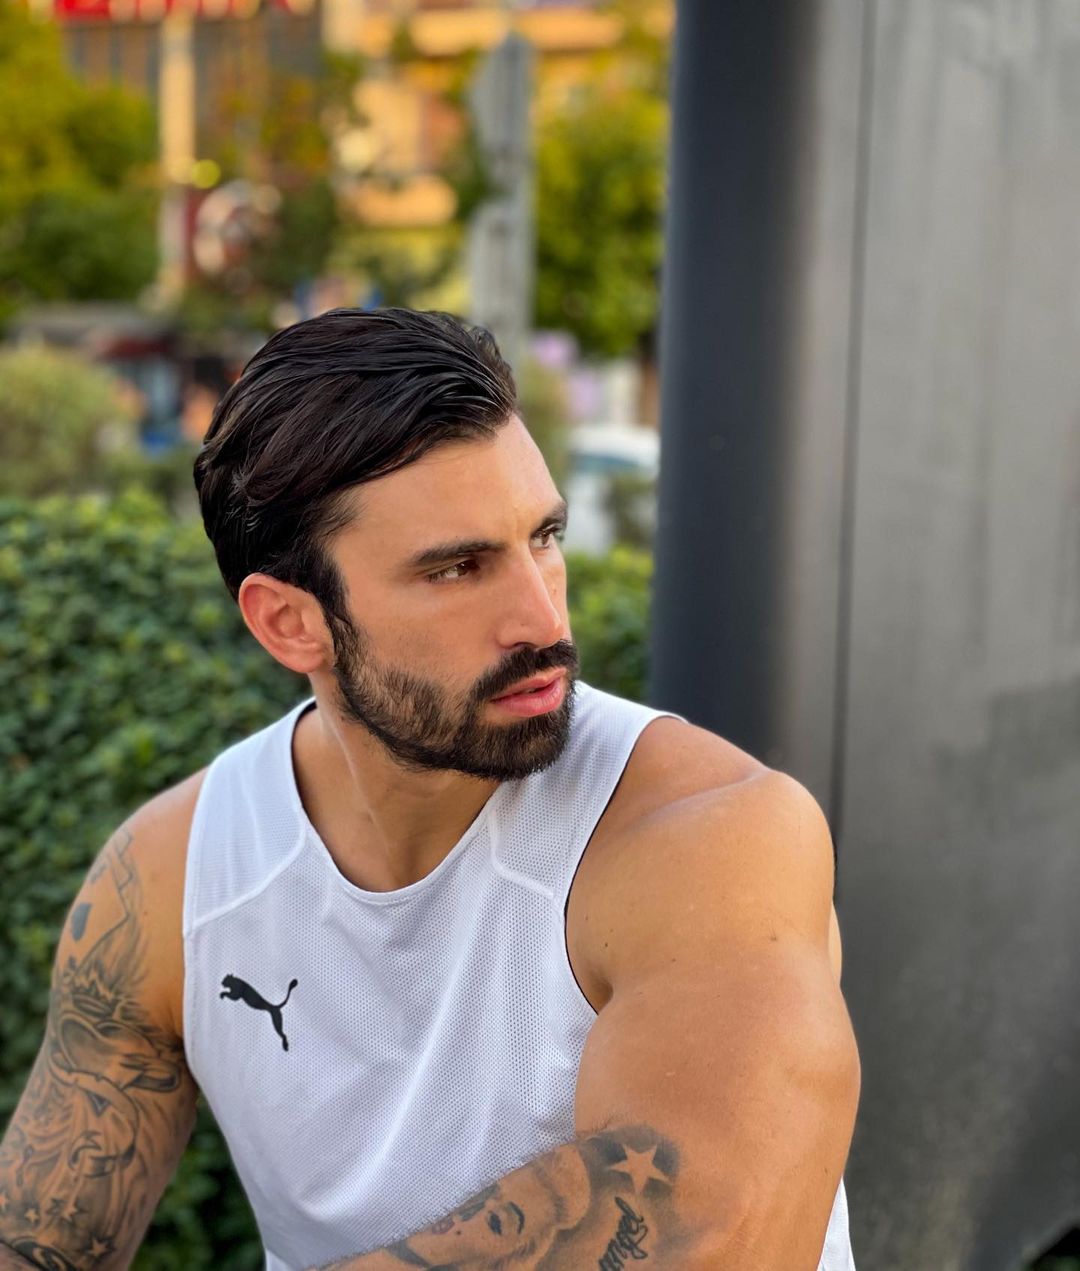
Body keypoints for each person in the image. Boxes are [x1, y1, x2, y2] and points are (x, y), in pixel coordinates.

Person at [0, 309, 859, 1271]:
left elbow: (707, 1230)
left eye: (544, 537)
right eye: (456, 568)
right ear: (289, 623)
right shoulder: (171, 883)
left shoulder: (713, 836)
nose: (541, 618)